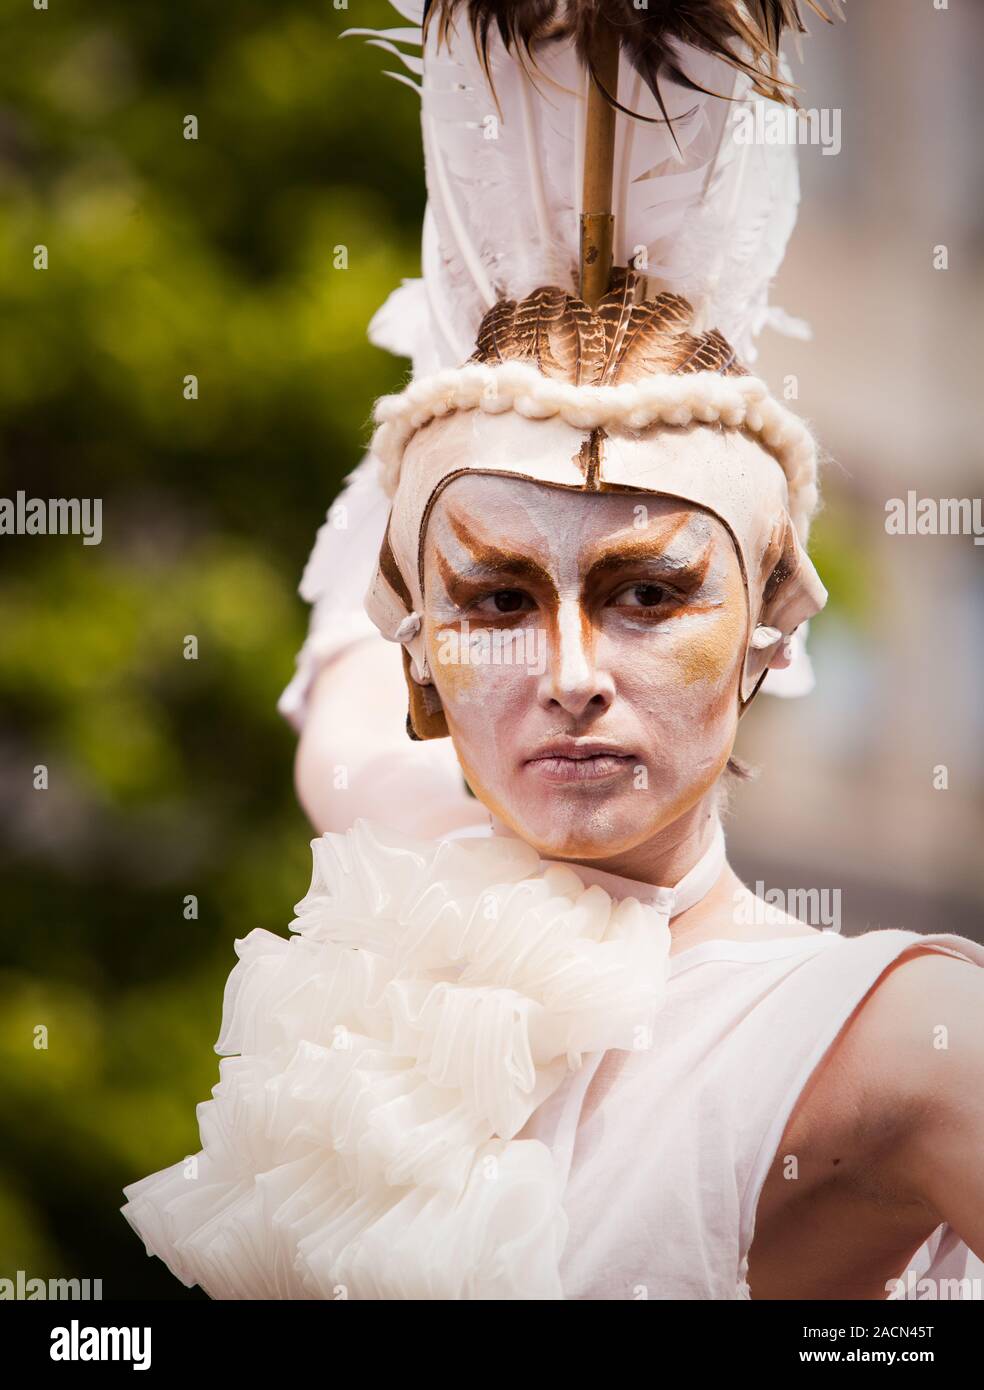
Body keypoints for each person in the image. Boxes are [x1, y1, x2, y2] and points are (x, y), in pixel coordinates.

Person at [121, 1, 984, 1300]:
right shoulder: (403, 844)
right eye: (497, 599)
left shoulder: (900, 1038)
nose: (570, 670)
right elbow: (347, 698)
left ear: (765, 635)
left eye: (646, 593)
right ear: (418, 652)